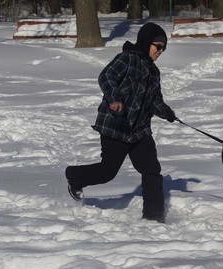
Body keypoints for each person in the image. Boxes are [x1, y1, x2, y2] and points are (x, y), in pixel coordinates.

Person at [65, 22, 176, 223]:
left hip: (139, 131)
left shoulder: (154, 72)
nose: (161, 51)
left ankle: (154, 218)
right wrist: (115, 97)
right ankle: (75, 175)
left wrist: (166, 112)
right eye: (157, 45)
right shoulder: (128, 58)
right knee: (108, 172)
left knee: (152, 171)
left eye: (164, 47)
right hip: (116, 126)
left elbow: (154, 101)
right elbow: (106, 76)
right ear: (145, 42)